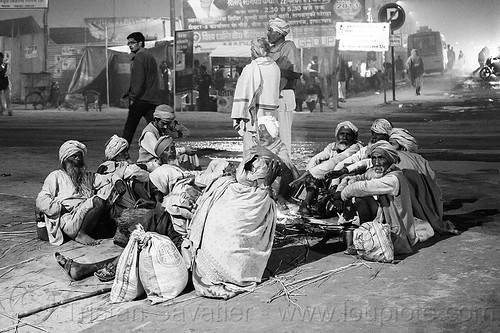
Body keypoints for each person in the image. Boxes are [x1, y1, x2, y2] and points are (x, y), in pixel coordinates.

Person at [189, 148, 281, 299]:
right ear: (260, 179)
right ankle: (231, 273)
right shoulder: (260, 198)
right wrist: (268, 186)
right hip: (229, 267)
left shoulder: (226, 185)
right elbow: (268, 209)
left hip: (205, 259)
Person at [335, 141, 417, 255]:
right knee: (360, 197)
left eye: (381, 158)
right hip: (383, 218)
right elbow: (357, 178)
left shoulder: (394, 178)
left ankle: (365, 238)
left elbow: (364, 187)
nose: (377, 162)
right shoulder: (376, 172)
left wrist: (341, 195)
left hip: (397, 228)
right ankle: (365, 235)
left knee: (361, 197)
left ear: (389, 159)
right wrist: (342, 188)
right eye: (373, 158)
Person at [36, 141, 116, 246]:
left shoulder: (87, 177)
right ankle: (81, 234)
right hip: (67, 218)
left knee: (107, 204)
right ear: (65, 160)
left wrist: (118, 182)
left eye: (80, 156)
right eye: (74, 156)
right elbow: (41, 200)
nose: (78, 159)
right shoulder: (56, 176)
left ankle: (85, 229)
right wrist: (60, 209)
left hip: (83, 213)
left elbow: (109, 179)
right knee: (98, 201)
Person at [290, 121, 363, 217]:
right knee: (316, 169)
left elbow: (336, 161)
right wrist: (309, 172)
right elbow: (316, 159)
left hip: (343, 181)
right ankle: (307, 203)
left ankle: (315, 204)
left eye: (348, 135)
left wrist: (310, 173)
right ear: (337, 135)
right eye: (342, 134)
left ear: (353, 138)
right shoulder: (332, 146)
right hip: (330, 178)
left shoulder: (355, 148)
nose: (344, 137)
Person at [231, 37, 281, 156]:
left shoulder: (250, 68)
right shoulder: (275, 67)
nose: (251, 51)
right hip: (271, 115)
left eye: (252, 48)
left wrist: (240, 115)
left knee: (252, 149)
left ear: (258, 49)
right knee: (270, 145)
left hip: (254, 115)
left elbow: (242, 91)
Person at [94, 135, 152, 219]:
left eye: (126, 151)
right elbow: (139, 173)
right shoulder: (109, 166)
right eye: (123, 152)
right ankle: (149, 202)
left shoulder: (119, 166)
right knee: (133, 179)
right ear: (116, 155)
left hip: (116, 205)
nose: (127, 155)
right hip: (113, 207)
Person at [267, 17, 302, 153]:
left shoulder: (288, 46)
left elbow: (296, 73)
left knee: (284, 133)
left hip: (284, 94)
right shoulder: (269, 50)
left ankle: (285, 164)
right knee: (270, 131)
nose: (268, 34)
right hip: (271, 95)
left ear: (279, 33)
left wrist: (273, 70)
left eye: (271, 31)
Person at [122, 32, 161, 146]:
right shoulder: (149, 56)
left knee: (129, 129)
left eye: (133, 43)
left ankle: (121, 152)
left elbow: (138, 80)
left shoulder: (139, 56)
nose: (130, 45)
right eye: (128, 43)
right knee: (156, 129)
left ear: (140, 43)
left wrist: (133, 96)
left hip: (141, 99)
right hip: (152, 99)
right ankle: (163, 151)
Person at [137, 104, 198, 172]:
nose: (165, 126)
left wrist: (174, 125)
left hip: (161, 163)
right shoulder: (149, 133)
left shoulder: (163, 129)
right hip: (150, 167)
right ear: (156, 120)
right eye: (163, 123)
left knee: (187, 156)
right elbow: (162, 152)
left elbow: (185, 133)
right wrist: (184, 150)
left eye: (168, 124)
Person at [0, 52, 12, 116]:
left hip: (5, 83)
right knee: (0, 98)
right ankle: (1, 110)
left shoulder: (5, 65)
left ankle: (9, 110)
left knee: (8, 98)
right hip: (2, 82)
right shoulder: (4, 65)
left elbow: (7, 73)